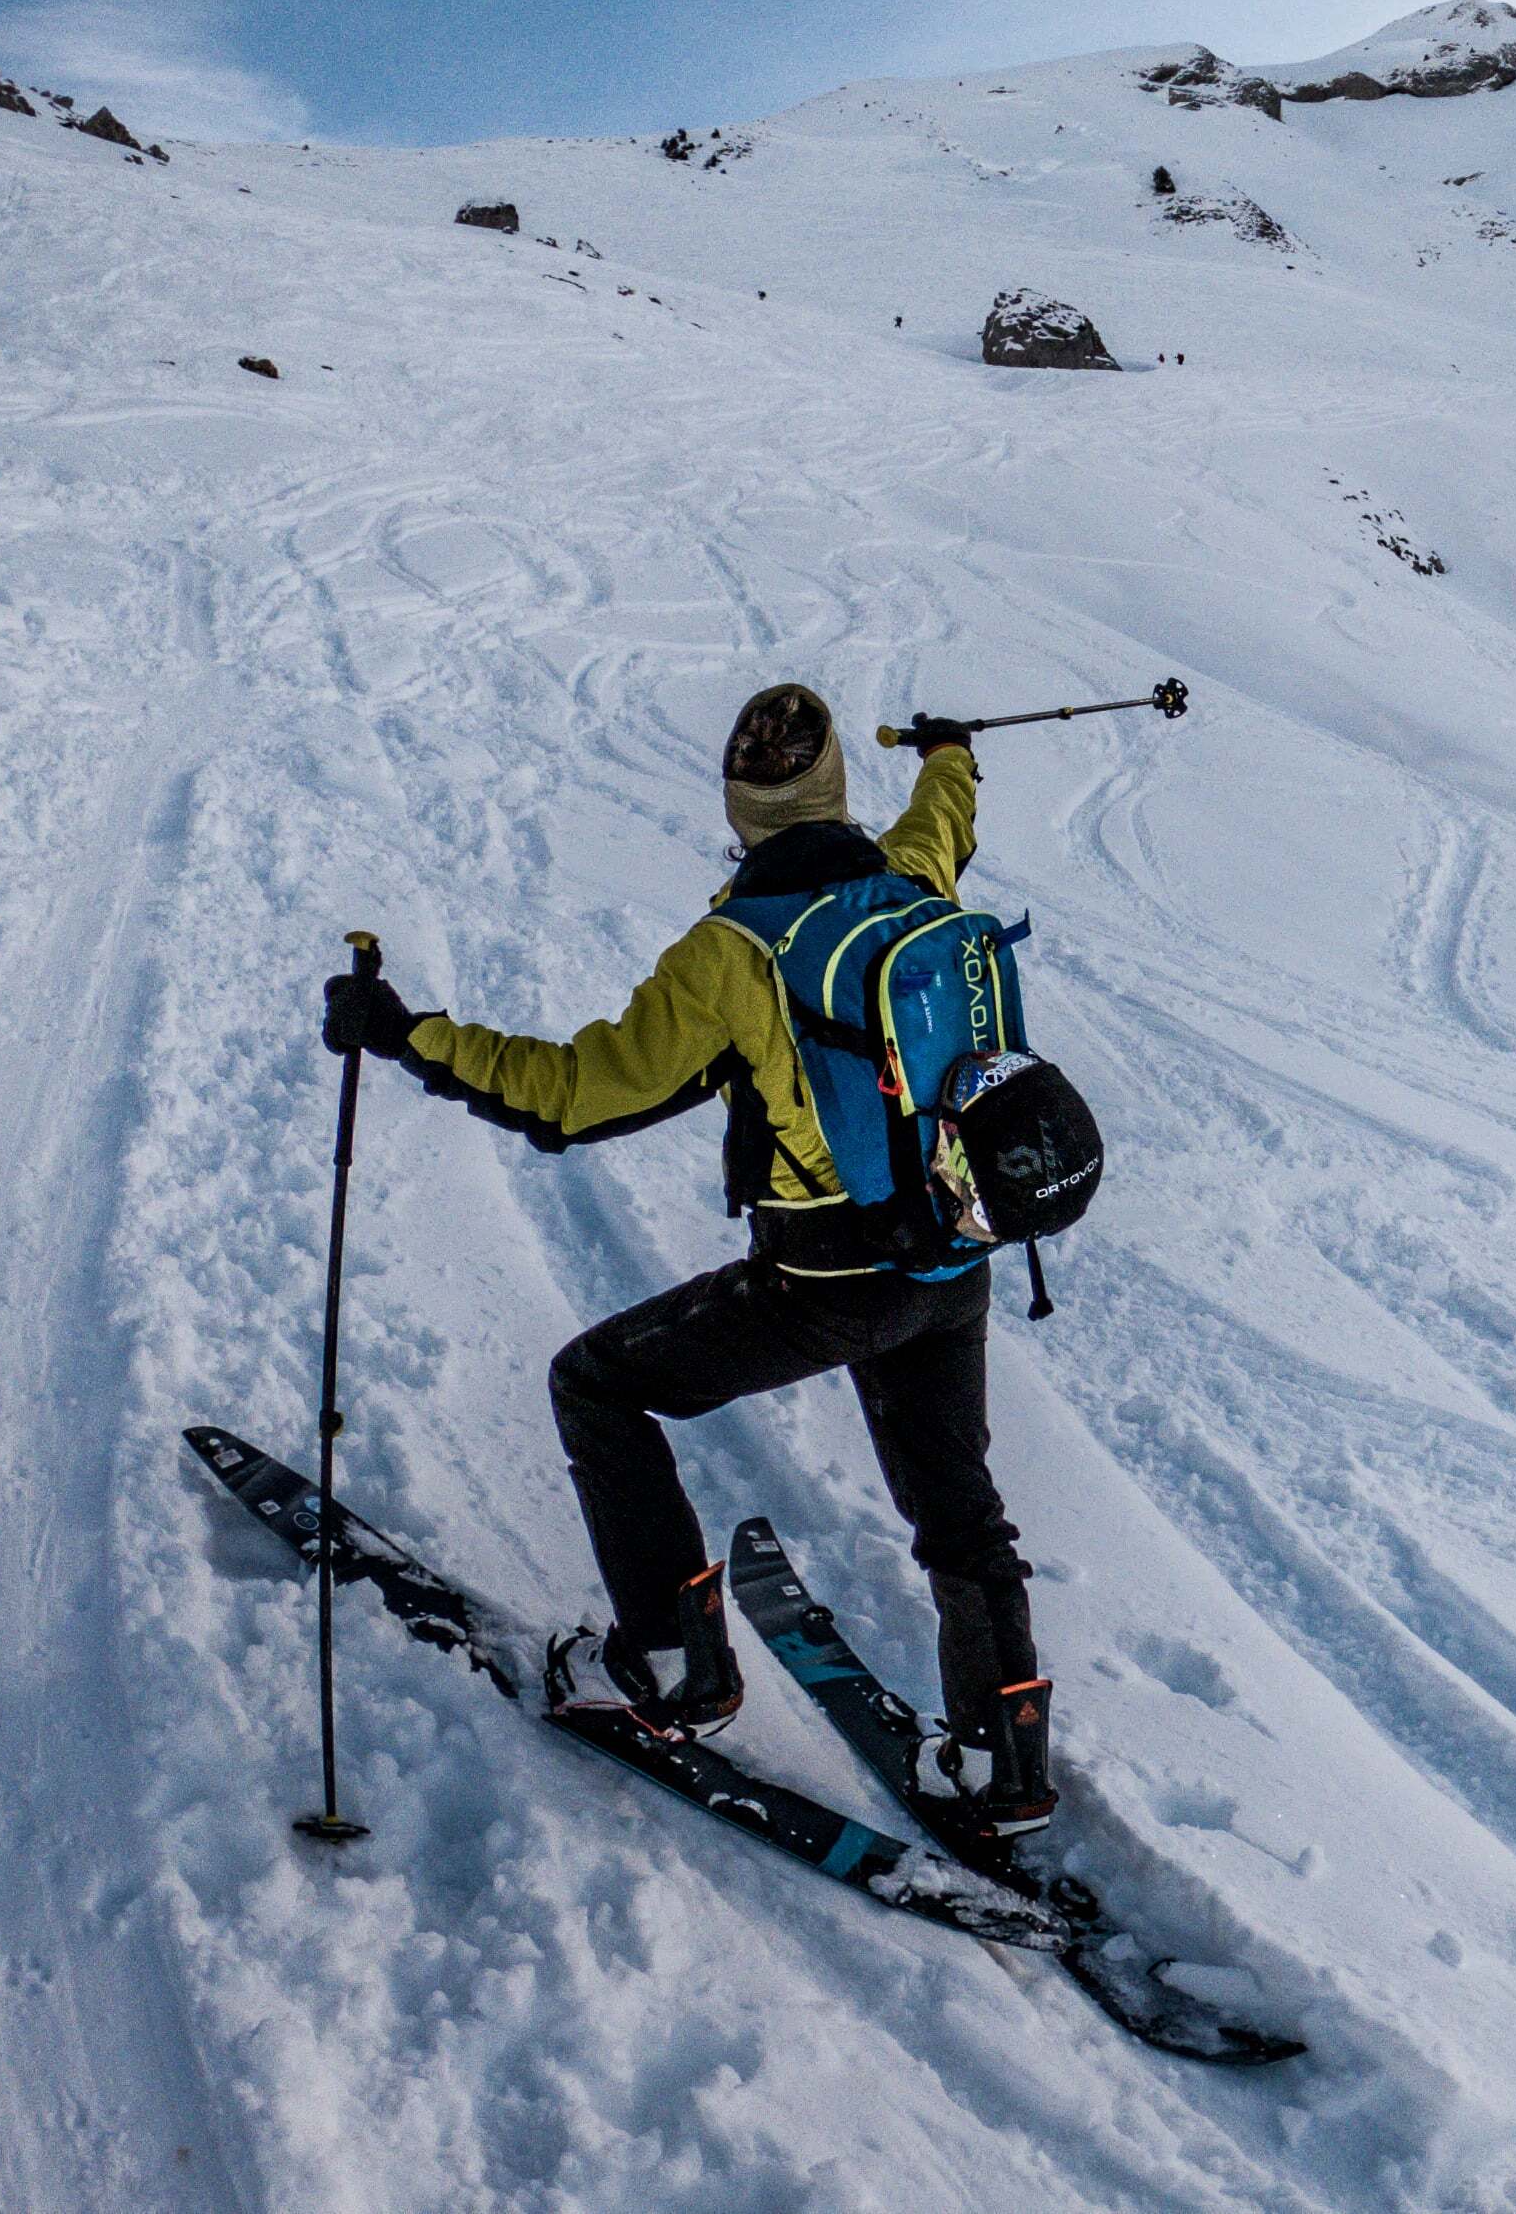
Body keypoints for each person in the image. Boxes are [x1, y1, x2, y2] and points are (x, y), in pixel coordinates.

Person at [321, 682, 1053, 1834]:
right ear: (834, 792)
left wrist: (408, 1034)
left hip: (822, 1284)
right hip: (954, 1261)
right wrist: (953, 749)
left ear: (738, 802)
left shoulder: (732, 954)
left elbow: (573, 1095)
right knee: (961, 1512)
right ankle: (1002, 1763)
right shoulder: (911, 882)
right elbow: (944, 816)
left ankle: (670, 1668)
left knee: (599, 1384)